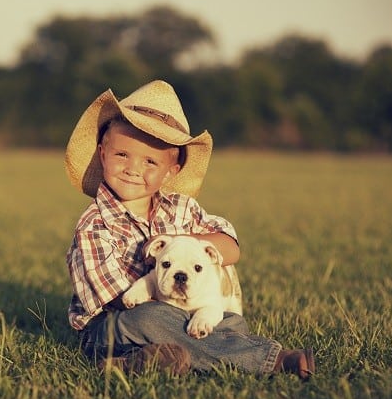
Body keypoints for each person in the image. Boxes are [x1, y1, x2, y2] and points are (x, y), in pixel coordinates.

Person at [64, 80, 315, 380]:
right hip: (113, 328)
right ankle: (272, 359)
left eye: (149, 161)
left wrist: (182, 247)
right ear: (103, 154)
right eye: (122, 155)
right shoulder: (94, 225)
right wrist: (185, 308)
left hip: (180, 313)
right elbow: (121, 299)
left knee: (230, 320)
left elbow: (230, 247)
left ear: (171, 171)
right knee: (152, 318)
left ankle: (141, 362)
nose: (133, 168)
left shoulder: (182, 209)